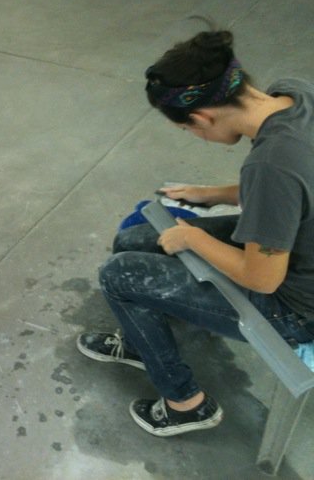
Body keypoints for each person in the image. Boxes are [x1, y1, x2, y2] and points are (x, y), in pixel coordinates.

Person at [76, 30, 314, 436]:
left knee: (118, 275)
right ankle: (140, 341)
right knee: (136, 240)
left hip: (295, 308)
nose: (196, 137)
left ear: (202, 117)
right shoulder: (295, 96)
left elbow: (263, 278)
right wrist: (211, 194)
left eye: (189, 130)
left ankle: (186, 404)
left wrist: (194, 239)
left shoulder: (270, 164)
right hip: (297, 247)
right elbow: (292, 188)